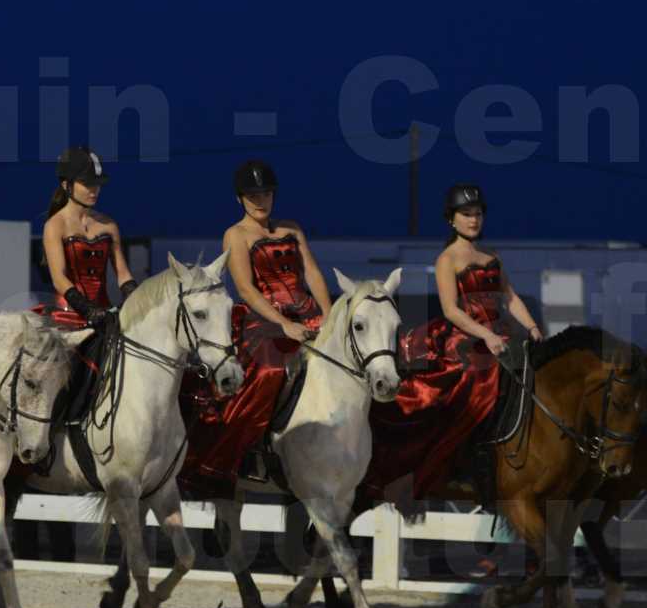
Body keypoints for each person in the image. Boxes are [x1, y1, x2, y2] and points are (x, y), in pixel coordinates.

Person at [358, 182, 543, 507]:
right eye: (466, 214)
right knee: (476, 384)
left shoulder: (492, 256)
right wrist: (485, 335)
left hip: (500, 337)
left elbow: (509, 297)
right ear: (452, 219)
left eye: (478, 214)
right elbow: (450, 309)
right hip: (467, 340)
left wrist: (531, 326)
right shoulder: (447, 259)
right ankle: (471, 460)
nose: (473, 220)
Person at [178, 159, 333, 499]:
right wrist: (285, 325)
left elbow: (313, 275)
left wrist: (329, 315)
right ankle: (251, 450)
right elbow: (246, 289)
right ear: (239, 199)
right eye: (252, 195)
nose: (260, 200)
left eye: (265, 193)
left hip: (307, 316)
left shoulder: (292, 229)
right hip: (263, 322)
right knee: (269, 371)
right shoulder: (235, 235)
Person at [35, 146, 136, 330]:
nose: (94, 190)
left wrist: (136, 299)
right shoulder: (54, 226)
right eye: (86, 183)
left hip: (105, 315)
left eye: (97, 183)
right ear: (67, 185)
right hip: (67, 317)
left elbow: (123, 274)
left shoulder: (109, 225)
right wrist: (88, 310)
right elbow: (59, 279)